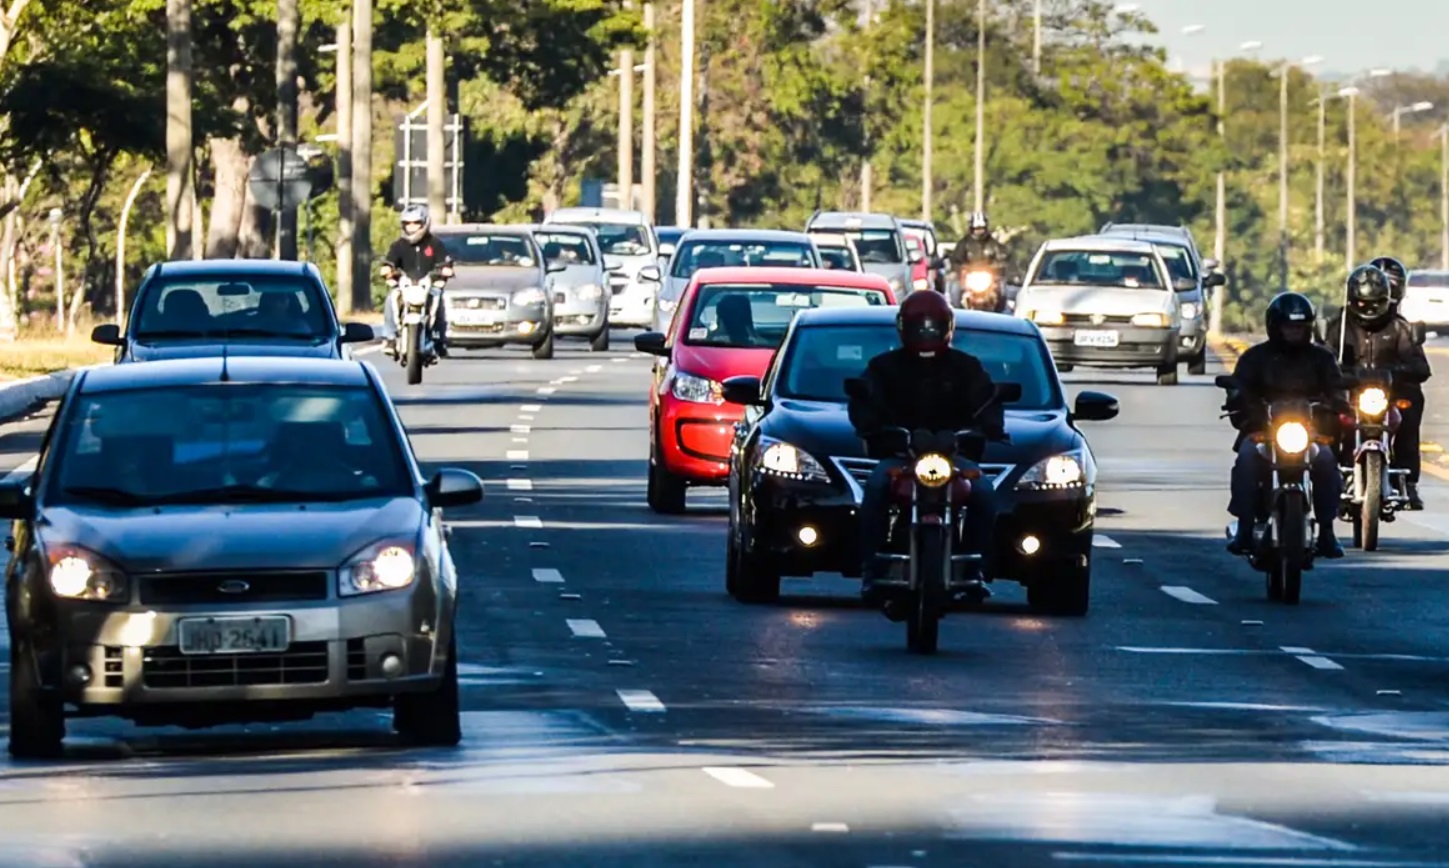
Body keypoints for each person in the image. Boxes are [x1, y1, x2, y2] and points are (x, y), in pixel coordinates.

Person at [847, 290, 1004, 608]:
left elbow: (988, 401)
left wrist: (986, 428)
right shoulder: (883, 367)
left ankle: (977, 569)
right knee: (876, 487)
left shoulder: (967, 367)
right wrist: (880, 430)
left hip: (952, 456)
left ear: (948, 327)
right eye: (920, 326)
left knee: (984, 493)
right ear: (903, 327)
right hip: (901, 455)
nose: (927, 333)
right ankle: (871, 566)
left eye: (934, 326)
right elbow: (864, 402)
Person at [1225, 292, 1346, 558]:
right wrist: (1245, 408)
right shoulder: (1255, 358)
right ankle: (1245, 527)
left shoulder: (1322, 358)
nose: (1294, 333)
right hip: (1264, 433)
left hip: (1308, 434)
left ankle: (1326, 530)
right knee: (1246, 459)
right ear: (1275, 326)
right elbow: (1240, 390)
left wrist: (1337, 404)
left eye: (1300, 328)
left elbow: (1336, 388)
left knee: (1326, 462)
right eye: (1289, 327)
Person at [1323, 263, 1432, 510]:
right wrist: (1338, 374)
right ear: (1352, 299)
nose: (1369, 308)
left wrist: (1397, 372)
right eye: (1362, 303)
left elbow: (1420, 366)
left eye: (1376, 302)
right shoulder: (1338, 326)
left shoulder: (1399, 327)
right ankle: (1327, 474)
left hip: (1389, 394)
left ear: (1388, 299)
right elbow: (1322, 357)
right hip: (1349, 393)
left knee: (1411, 405)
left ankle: (1409, 481)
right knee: (1324, 414)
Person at [380, 205, 454, 358]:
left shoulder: (435, 244)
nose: (411, 227)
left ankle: (439, 339)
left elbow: (445, 262)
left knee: (439, 301)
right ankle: (390, 338)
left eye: (415, 223)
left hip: (429, 285)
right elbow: (389, 262)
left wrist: (445, 270)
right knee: (390, 299)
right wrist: (387, 269)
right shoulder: (398, 245)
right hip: (405, 286)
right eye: (407, 223)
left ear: (424, 223)